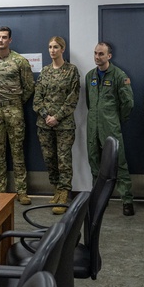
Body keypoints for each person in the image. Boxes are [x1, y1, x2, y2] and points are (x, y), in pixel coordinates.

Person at [0, 26, 34, 204]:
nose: (1, 40)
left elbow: (28, 87)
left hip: (15, 110)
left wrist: (15, 102)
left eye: (4, 37)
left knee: (17, 151)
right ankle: (0, 192)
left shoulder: (19, 61)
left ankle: (22, 191)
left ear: (10, 40)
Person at [85, 42, 135, 216]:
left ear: (109, 56)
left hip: (111, 127)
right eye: (95, 53)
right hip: (93, 127)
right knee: (94, 163)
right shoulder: (90, 76)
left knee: (119, 163)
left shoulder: (119, 76)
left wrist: (115, 120)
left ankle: (127, 200)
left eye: (101, 54)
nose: (97, 57)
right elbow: (89, 102)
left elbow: (128, 103)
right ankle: (98, 199)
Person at [33, 36, 81, 214]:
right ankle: (55, 188)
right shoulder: (44, 71)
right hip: (44, 124)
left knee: (63, 160)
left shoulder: (71, 71)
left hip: (64, 125)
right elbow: (37, 98)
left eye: (56, 47)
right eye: (50, 47)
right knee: (49, 158)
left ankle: (64, 193)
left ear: (63, 49)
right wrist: (46, 116)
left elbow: (73, 99)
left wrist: (57, 117)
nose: (52, 50)